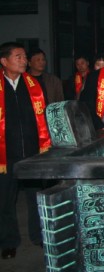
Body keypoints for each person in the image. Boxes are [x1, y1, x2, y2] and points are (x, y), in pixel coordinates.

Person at [0, 42, 52, 259]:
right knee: (5, 200)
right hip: (5, 154)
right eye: (18, 57)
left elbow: (44, 117)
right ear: (4, 61)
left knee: (35, 197)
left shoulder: (34, 85)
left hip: (32, 151)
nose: (23, 60)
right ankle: (8, 242)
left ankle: (39, 236)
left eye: (24, 57)